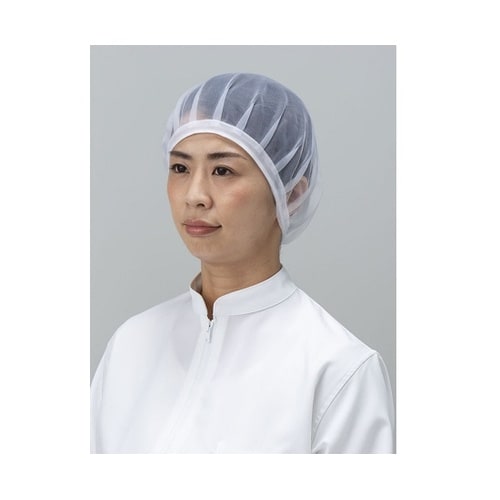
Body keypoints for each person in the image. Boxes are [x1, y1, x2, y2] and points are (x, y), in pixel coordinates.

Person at [90, 73, 395, 453]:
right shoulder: (131, 344)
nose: (194, 195)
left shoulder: (337, 370)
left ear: (291, 194)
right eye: (180, 168)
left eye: (223, 171)